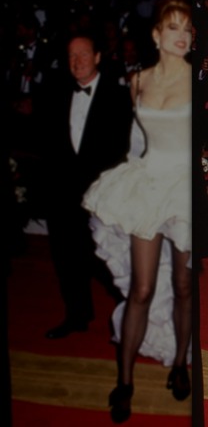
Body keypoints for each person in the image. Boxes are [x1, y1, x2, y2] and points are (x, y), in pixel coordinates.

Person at [81, 0, 193, 423]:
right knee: (141, 290)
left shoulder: (194, 79)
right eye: (173, 27)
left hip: (182, 191)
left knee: (184, 286)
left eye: (188, 28)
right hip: (149, 185)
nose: (182, 36)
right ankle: (124, 381)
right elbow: (136, 144)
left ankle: (180, 364)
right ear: (156, 34)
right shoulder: (138, 81)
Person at [40, 32, 133, 340]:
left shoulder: (119, 97)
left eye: (82, 54)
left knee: (106, 260)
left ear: (97, 57)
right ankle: (77, 315)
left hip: (102, 197)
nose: (76, 61)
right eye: (71, 56)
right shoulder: (55, 93)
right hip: (63, 196)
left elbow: (124, 152)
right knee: (66, 259)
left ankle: (128, 318)